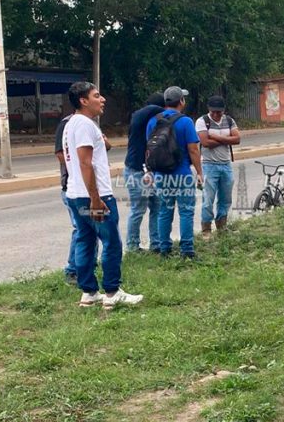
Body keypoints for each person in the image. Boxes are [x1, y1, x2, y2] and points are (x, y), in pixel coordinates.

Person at [61, 81, 143, 309]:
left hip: (76, 195)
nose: (103, 99)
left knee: (85, 241)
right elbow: (86, 163)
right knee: (111, 243)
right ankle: (112, 291)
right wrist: (96, 199)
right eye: (97, 95)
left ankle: (89, 292)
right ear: (83, 101)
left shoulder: (70, 124)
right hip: (93, 196)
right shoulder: (85, 125)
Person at [146, 86, 203, 259]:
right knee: (186, 211)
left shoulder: (152, 121)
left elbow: (148, 148)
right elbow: (193, 149)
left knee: (164, 211)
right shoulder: (185, 122)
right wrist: (200, 172)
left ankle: (165, 249)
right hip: (182, 173)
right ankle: (187, 250)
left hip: (161, 174)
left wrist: (150, 171)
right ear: (181, 102)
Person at [123, 92, 164, 252]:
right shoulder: (139, 118)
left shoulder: (151, 123)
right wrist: (163, 107)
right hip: (136, 171)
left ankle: (156, 243)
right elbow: (147, 110)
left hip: (150, 172)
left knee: (157, 207)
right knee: (138, 210)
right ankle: (133, 247)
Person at [196, 95, 241, 237]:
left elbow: (237, 139)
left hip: (226, 164)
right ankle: (206, 229)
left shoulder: (229, 120)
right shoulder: (202, 121)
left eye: (219, 112)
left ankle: (222, 226)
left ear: (223, 110)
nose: (216, 114)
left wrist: (215, 137)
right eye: (213, 111)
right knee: (208, 200)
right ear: (209, 109)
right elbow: (205, 142)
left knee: (225, 198)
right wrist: (227, 140)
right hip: (209, 165)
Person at [54, 111, 78, 285]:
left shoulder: (91, 123)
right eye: (97, 96)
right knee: (81, 229)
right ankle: (72, 270)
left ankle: (86, 265)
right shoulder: (66, 124)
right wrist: (77, 172)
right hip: (73, 187)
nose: (102, 100)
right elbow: (60, 153)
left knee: (91, 230)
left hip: (89, 188)